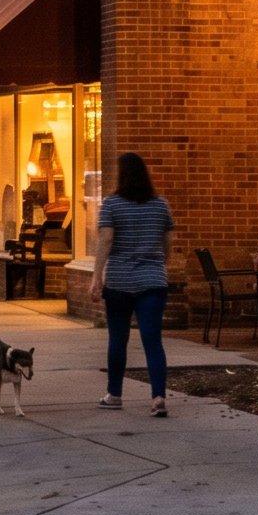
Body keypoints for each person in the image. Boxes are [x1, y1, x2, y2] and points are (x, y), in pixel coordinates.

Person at [90, 152, 176, 417]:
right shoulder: (161, 205)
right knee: (153, 341)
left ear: (122, 175)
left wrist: (96, 277)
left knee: (118, 339)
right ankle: (158, 397)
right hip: (153, 281)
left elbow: (105, 241)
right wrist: (159, 264)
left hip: (119, 281)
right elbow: (168, 244)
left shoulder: (112, 205)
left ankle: (114, 394)